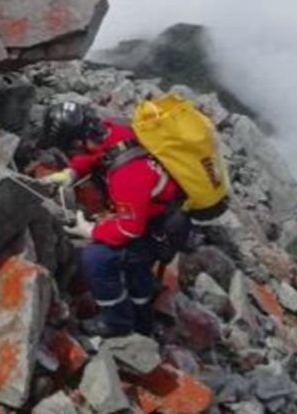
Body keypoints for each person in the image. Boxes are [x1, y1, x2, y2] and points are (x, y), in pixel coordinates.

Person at [40, 101, 187, 337]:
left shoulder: (128, 176)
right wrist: (73, 172)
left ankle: (117, 323)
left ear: (78, 142)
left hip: (153, 230)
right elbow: (99, 155)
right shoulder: (114, 131)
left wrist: (91, 231)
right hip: (158, 217)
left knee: (95, 258)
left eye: (70, 150)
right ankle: (143, 321)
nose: (71, 154)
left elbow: (129, 229)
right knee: (137, 270)